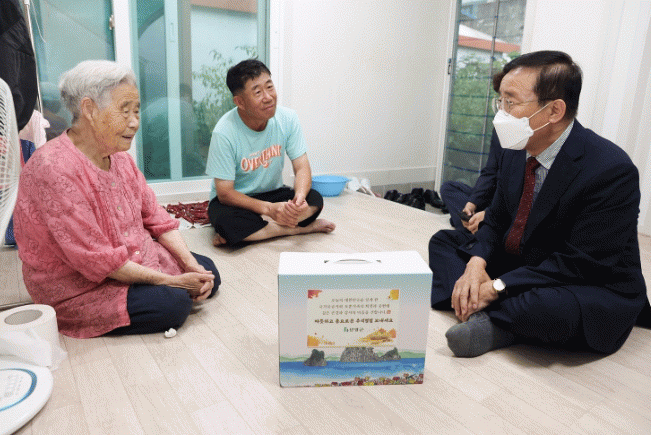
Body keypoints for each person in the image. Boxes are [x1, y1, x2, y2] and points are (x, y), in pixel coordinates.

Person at [428, 50, 650, 358]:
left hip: (580, 277)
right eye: (500, 101)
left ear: (554, 110)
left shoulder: (610, 169)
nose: (501, 114)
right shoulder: (517, 148)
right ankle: (491, 313)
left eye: (511, 102)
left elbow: (580, 262)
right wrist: (476, 265)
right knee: (443, 242)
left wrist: (497, 286)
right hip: (526, 260)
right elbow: (497, 219)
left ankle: (487, 315)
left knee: (549, 309)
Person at [13, 60, 220, 339]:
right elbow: (97, 260)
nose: (135, 122)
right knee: (174, 303)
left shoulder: (120, 159)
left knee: (207, 271)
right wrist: (173, 281)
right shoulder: (53, 169)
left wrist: (190, 266)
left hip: (134, 256)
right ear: (89, 110)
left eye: (136, 110)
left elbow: (157, 218)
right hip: (81, 286)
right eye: (125, 111)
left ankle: (167, 283)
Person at [206, 59, 335, 246]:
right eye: (258, 92)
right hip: (238, 201)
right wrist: (269, 209)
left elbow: (302, 167)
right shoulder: (224, 132)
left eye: (269, 87)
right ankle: (300, 228)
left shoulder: (288, 119)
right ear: (240, 102)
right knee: (226, 221)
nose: (268, 97)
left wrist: (298, 200)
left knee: (314, 199)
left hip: (273, 193)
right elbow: (225, 193)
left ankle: (258, 231)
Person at [439, 130, 502, 235]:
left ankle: (472, 227)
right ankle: (474, 224)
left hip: (504, 201)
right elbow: (490, 172)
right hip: (489, 196)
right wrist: (472, 203)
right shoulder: (499, 131)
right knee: (448, 188)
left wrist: (488, 213)